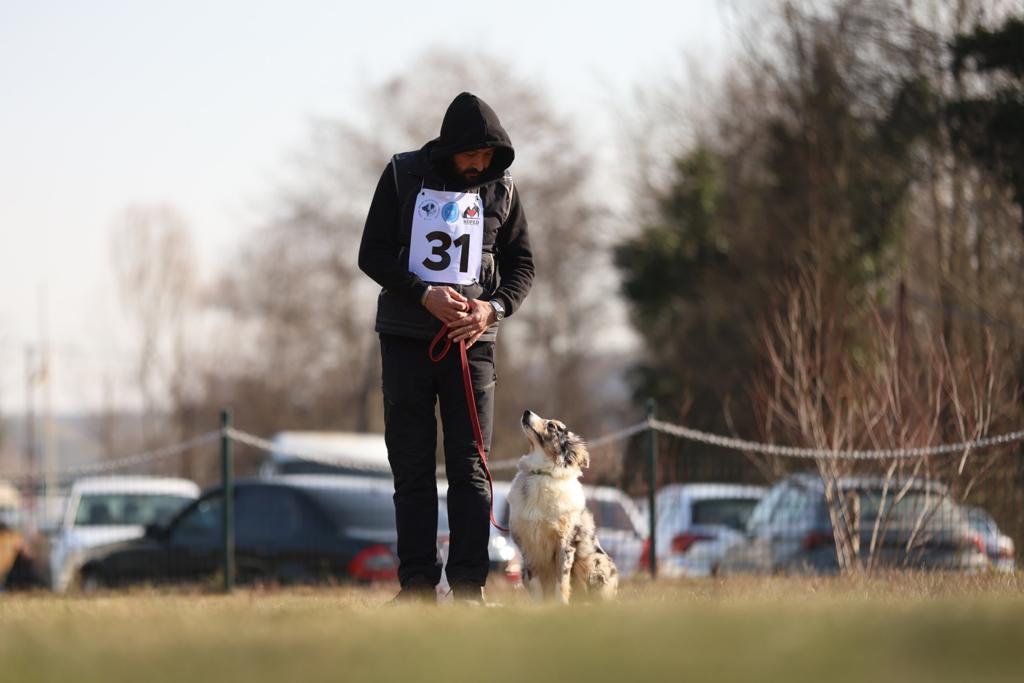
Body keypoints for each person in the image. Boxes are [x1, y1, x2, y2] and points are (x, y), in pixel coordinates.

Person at [358, 92, 534, 603]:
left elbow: (523, 265)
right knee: (411, 468)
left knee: (471, 467)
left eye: (488, 157)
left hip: (472, 347)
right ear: (448, 148)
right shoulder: (400, 175)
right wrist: (421, 294)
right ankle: (415, 586)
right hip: (406, 341)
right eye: (471, 155)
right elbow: (371, 253)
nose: (479, 165)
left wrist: (492, 309)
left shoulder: (503, 189)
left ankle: (468, 589)